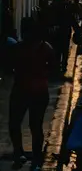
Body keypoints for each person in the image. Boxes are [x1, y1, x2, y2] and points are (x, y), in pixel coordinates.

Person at [9, 21, 54, 170]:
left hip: (21, 90)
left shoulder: (18, 48)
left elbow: (10, 67)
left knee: (15, 123)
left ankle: (19, 153)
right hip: (40, 91)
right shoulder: (45, 48)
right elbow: (53, 69)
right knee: (36, 126)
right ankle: (36, 159)